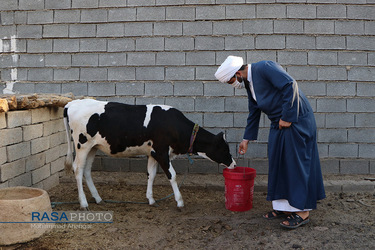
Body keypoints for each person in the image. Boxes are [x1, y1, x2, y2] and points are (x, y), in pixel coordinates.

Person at [215, 56, 326, 229]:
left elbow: (290, 85)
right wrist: (246, 139)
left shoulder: (264, 68)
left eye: (230, 81)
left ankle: (302, 212)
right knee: (278, 163)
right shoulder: (249, 83)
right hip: (279, 124)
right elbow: (254, 110)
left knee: (295, 165)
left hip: (296, 121)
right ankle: (284, 207)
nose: (232, 85)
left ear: (237, 73)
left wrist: (288, 117)